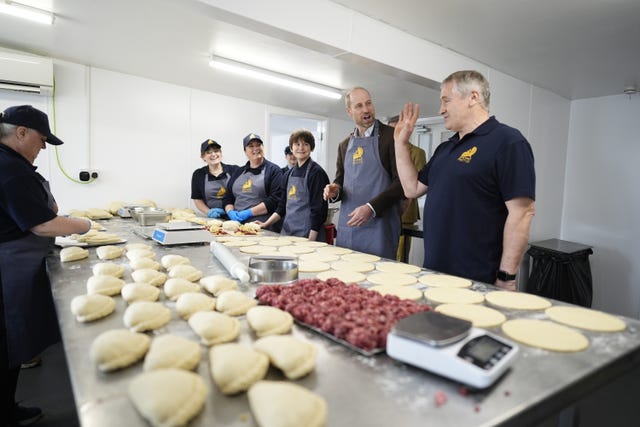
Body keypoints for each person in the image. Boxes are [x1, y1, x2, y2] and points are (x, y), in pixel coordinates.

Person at [393, 70, 536, 291]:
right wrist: (400, 144)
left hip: (477, 279)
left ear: (473, 97)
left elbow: (522, 213)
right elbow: (411, 189)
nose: (441, 109)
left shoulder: (508, 142)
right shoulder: (445, 148)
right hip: (434, 273)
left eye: (446, 100)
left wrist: (506, 277)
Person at [0, 105, 92, 426]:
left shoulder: (15, 165)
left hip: (18, 263)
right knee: (8, 342)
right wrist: (85, 226)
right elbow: (41, 224)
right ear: (21, 132)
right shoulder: (9, 168)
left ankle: (8, 408)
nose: (43, 148)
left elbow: (47, 209)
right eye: (42, 140)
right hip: (9, 268)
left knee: (11, 346)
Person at [323, 87, 404, 259]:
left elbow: (401, 183)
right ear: (349, 111)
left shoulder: (392, 137)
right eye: (359, 106)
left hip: (380, 228)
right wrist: (334, 190)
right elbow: (340, 181)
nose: (366, 109)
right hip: (349, 227)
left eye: (368, 103)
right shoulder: (344, 145)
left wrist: (371, 208)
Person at [257, 129, 330, 241]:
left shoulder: (316, 173)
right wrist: (265, 224)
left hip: (309, 234)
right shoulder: (287, 175)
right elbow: (282, 206)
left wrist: (311, 241)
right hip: (288, 232)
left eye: (306, 144)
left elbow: (319, 210)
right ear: (291, 148)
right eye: (297, 144)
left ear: (311, 148)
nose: (301, 148)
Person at [387, 114, 427, 262]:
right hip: (385, 210)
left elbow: (416, 184)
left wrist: (403, 207)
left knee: (400, 255)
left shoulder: (417, 152)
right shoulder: (385, 150)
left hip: (405, 213)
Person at [223, 133, 283, 228]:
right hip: (236, 224)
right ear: (245, 151)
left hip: (261, 224)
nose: (256, 148)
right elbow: (227, 197)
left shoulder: (274, 170)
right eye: (251, 146)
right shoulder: (238, 172)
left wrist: (249, 212)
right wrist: (230, 211)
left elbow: (275, 200)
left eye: (258, 145)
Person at [190, 139, 239, 218]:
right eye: (208, 152)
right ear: (203, 157)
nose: (213, 154)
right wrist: (209, 212)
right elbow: (197, 199)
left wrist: (232, 212)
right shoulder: (198, 174)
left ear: (221, 153)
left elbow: (243, 194)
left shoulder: (234, 170)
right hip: (214, 219)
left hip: (235, 215)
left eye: (216, 151)